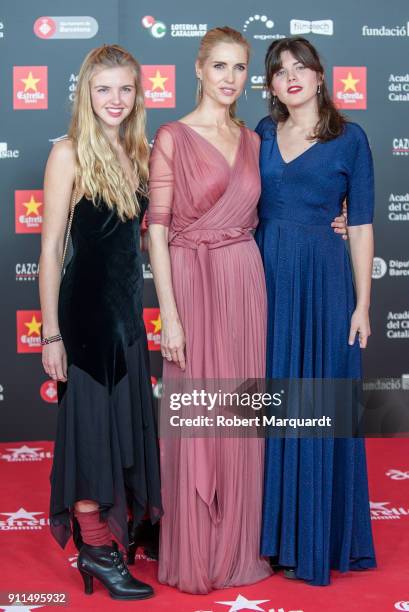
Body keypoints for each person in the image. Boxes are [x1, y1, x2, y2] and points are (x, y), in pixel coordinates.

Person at [147, 27, 346, 594]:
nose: (230, 79)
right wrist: (171, 314)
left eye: (240, 69)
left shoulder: (255, 136)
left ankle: (238, 545)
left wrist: (339, 214)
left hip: (244, 279)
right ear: (199, 69)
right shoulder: (172, 136)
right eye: (220, 67)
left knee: (241, 415)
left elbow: (293, 194)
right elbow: (156, 231)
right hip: (191, 280)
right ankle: (197, 550)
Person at [39, 44, 162, 600]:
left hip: (128, 324)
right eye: (104, 88)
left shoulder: (140, 153)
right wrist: (51, 334)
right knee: (91, 440)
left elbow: (152, 239)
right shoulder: (68, 153)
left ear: (138, 95)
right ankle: (94, 548)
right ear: (87, 93)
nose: (116, 99)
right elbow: (50, 252)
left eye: (126, 89)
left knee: (122, 434)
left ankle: (119, 536)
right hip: (86, 323)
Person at [255, 37, 376, 585]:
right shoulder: (258, 133)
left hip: (325, 283)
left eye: (301, 67)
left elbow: (364, 224)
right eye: (281, 72)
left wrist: (363, 305)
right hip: (266, 280)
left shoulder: (351, 139)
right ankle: (272, 537)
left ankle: (320, 538)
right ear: (272, 86)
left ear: (321, 75)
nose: (292, 77)